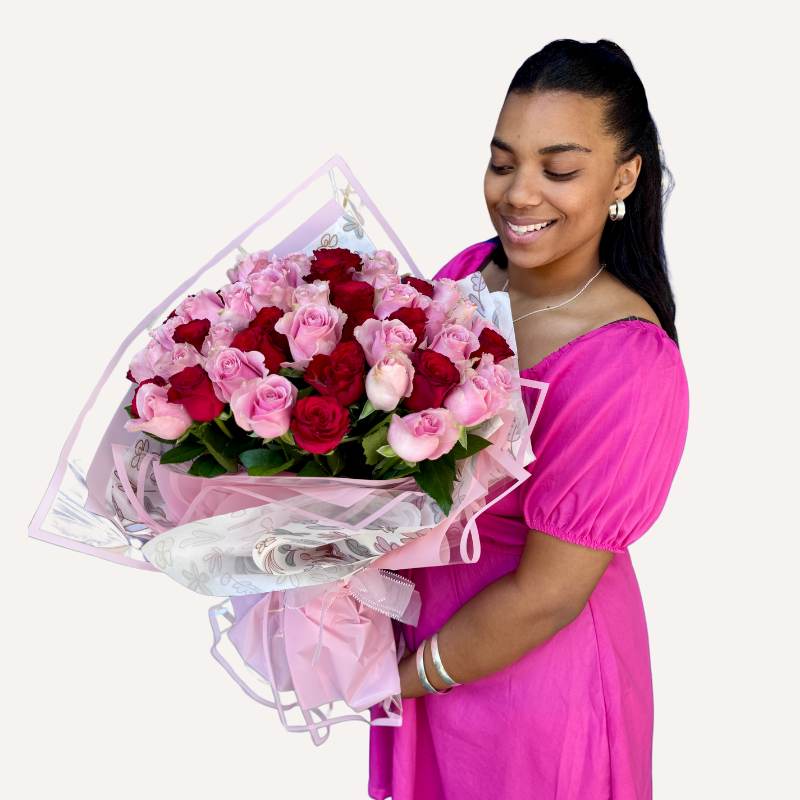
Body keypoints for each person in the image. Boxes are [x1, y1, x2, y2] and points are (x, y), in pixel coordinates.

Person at [368, 38, 690, 800]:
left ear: (624, 176)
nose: (519, 193)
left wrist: (402, 679)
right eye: (503, 162)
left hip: (534, 685)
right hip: (422, 645)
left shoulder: (627, 364)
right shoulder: (465, 275)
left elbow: (549, 595)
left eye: (560, 169)